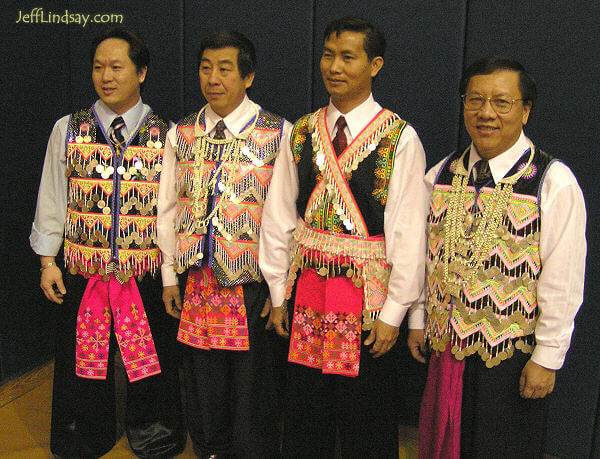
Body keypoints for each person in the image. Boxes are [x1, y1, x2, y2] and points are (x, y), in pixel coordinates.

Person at [259, 16, 428, 458]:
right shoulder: (300, 132)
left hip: (367, 299)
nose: (334, 67)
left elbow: (408, 232)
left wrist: (395, 311)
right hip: (308, 290)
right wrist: (278, 291)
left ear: (374, 65)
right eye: (328, 55)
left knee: (364, 411)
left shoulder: (399, 137)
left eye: (348, 57)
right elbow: (279, 216)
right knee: (305, 405)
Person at [417, 56, 587, 459]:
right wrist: (418, 318)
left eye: (501, 102)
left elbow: (564, 279)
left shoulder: (552, 181)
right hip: (445, 349)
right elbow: (424, 258)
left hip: (510, 356)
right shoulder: (441, 173)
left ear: (525, 110)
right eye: (474, 100)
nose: (486, 113)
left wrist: (547, 356)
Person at [30, 27, 184, 458]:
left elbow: (172, 211)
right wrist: (48, 260)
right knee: (83, 364)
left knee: (150, 361)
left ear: (142, 72)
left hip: (145, 271)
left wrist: (171, 270)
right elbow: (52, 196)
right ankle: (84, 434)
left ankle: (155, 434)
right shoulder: (69, 128)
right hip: (83, 268)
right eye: (98, 67)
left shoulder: (167, 134)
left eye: (117, 67)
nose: (106, 76)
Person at [157, 29, 291, 458]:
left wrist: (278, 288)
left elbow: (284, 218)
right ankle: (209, 449)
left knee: (252, 386)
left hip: (251, 283)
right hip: (197, 280)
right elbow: (166, 208)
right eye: (205, 68)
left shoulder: (277, 133)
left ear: (248, 77)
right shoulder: (181, 133)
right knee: (202, 381)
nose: (213, 78)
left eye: (225, 69)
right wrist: (168, 277)